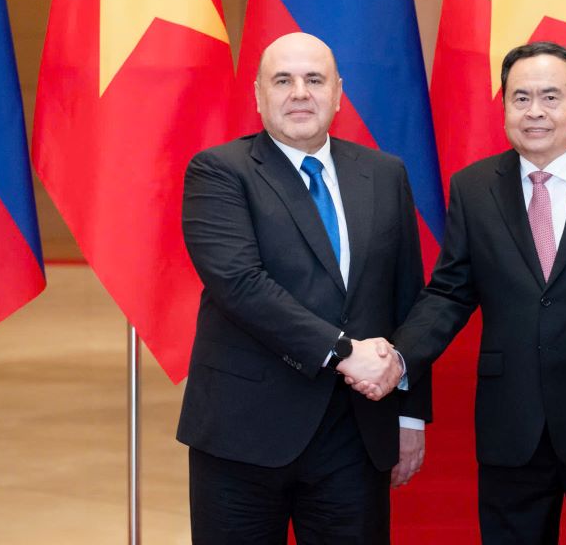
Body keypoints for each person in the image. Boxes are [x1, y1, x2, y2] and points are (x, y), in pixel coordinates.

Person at [353, 41, 566, 544]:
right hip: (512, 425)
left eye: (551, 97)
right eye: (520, 98)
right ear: (504, 107)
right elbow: (449, 294)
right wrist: (400, 357)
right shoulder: (474, 188)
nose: (535, 112)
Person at [177, 32, 430, 544]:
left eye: (314, 80)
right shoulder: (219, 172)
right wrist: (344, 352)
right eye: (283, 80)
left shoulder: (385, 174)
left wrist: (410, 415)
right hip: (243, 434)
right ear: (258, 95)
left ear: (337, 93)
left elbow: (406, 299)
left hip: (355, 435)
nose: (299, 93)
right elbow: (241, 284)